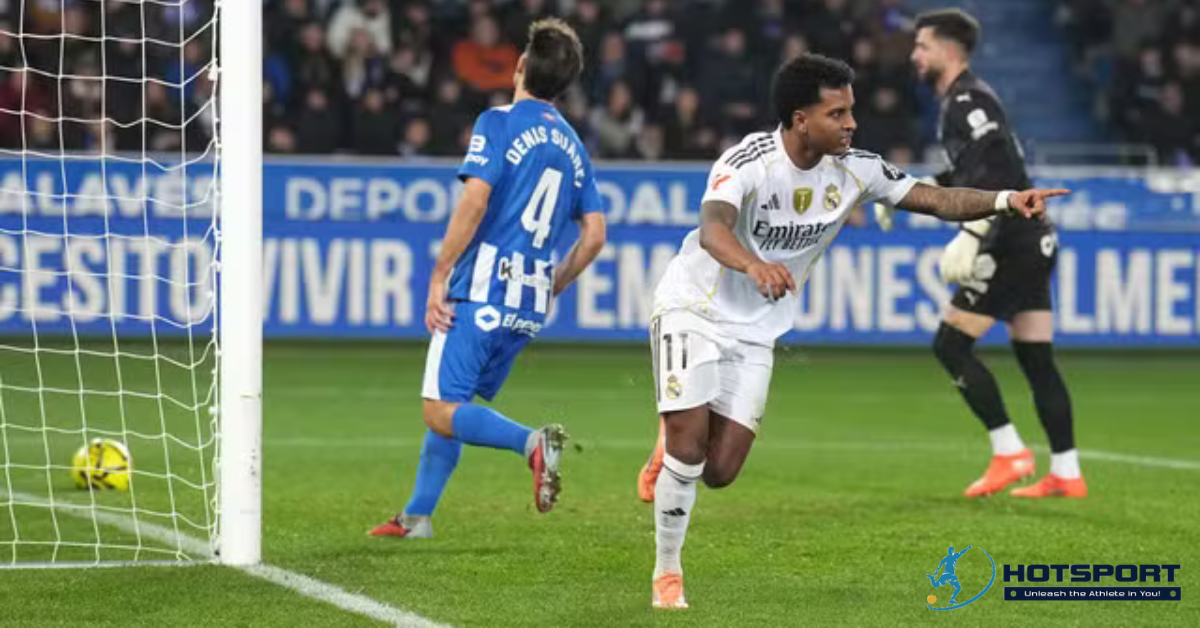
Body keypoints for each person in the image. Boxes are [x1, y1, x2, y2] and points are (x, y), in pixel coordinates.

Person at [635, 52, 1067, 609]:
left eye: (851, 111)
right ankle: (667, 574)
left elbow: (934, 199)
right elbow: (713, 227)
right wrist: (751, 264)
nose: (851, 124)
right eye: (837, 113)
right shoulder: (748, 161)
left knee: (720, 471)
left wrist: (1007, 200)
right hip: (694, 305)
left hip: (757, 329)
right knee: (689, 451)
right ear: (799, 120)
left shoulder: (856, 169)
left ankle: (673, 432)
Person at [370, 18, 607, 539]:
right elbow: (594, 236)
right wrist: (555, 284)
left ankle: (531, 443)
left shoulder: (498, 122)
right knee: (454, 401)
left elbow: (475, 200)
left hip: (480, 290)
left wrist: (438, 274)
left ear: (521, 65)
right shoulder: (574, 145)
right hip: (525, 303)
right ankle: (417, 516)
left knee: (439, 409)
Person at [907, 8, 1086, 500]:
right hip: (1034, 239)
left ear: (948, 50)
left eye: (922, 46)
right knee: (1036, 358)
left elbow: (996, 165)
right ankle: (1066, 473)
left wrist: (974, 230)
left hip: (1010, 241)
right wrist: (914, 192)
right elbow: (972, 170)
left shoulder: (966, 98)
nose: (914, 55)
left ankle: (1009, 451)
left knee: (950, 344)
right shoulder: (966, 99)